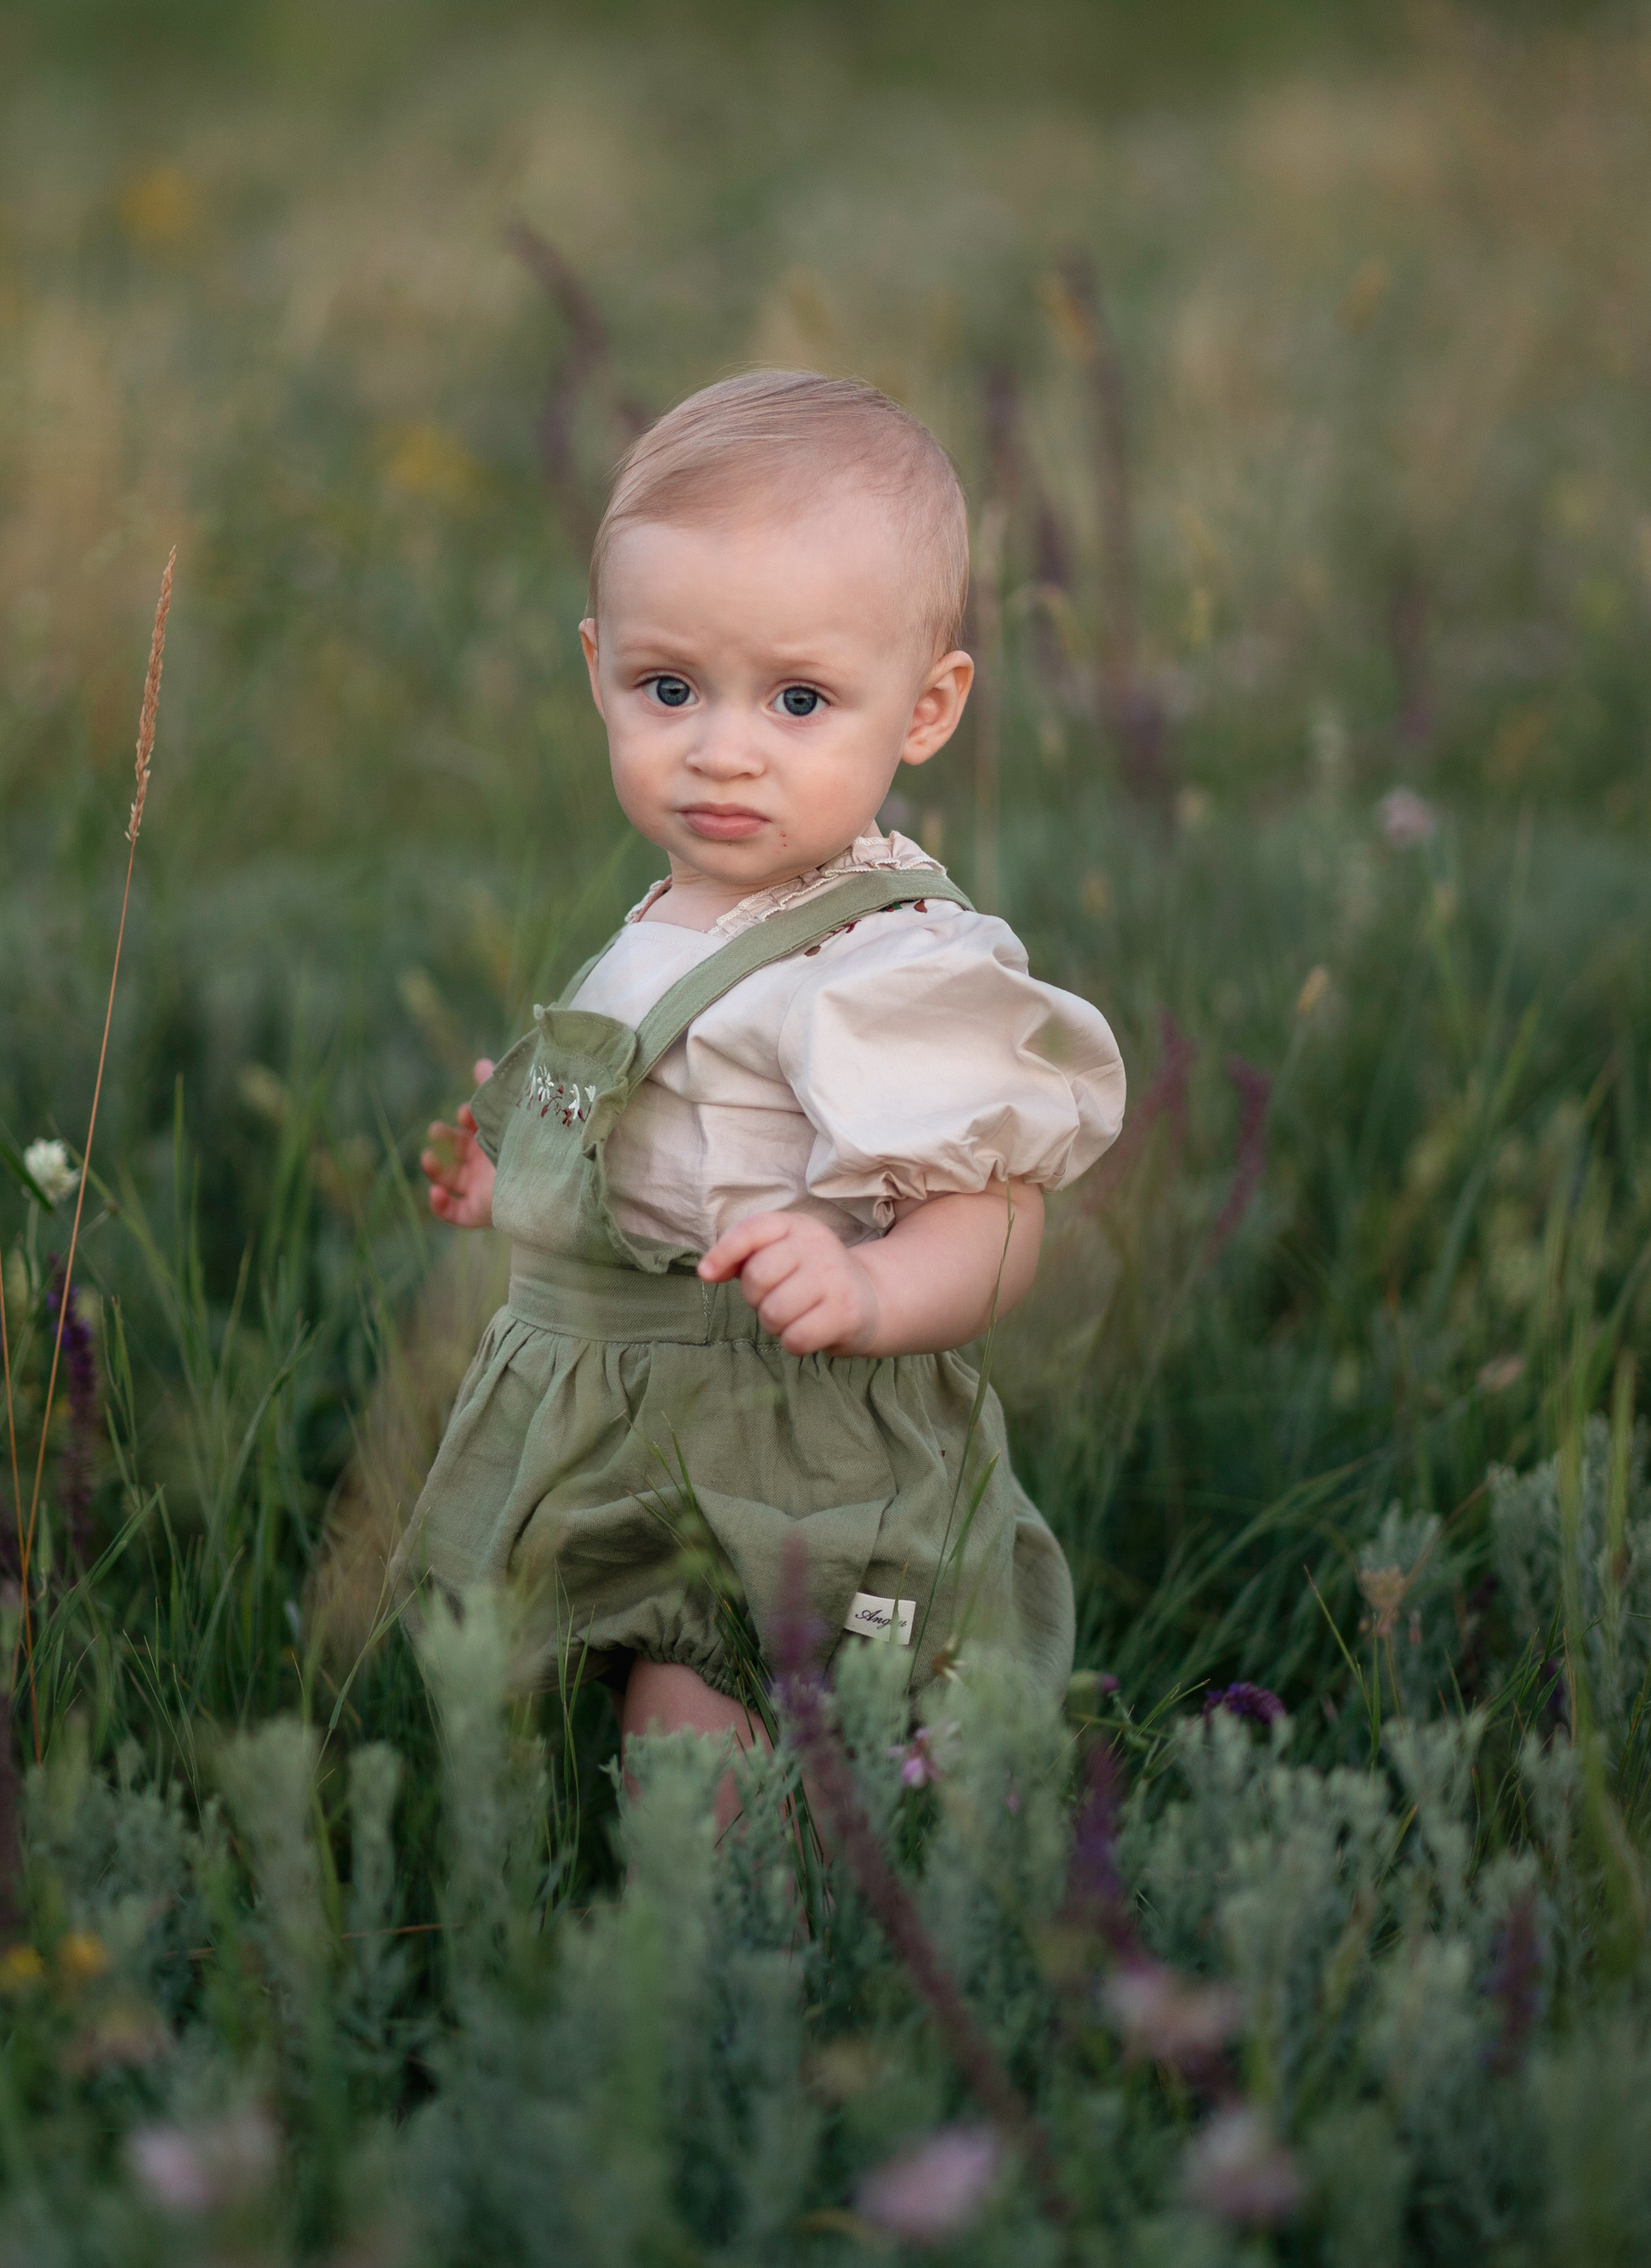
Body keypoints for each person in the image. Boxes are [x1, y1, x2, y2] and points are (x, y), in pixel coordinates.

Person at [395, 367, 1124, 1785]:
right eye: (669, 689)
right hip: (606, 1403)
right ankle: (627, 1919)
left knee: (706, 1714)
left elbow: (1002, 1217)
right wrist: (522, 1177)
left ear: (925, 709)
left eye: (799, 699)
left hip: (765, 1432)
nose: (722, 749)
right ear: (598, 666)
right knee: (557, 1719)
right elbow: (668, 1135)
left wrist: (869, 1290)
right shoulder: (683, 907)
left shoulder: (892, 968)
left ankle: (747, 1962)